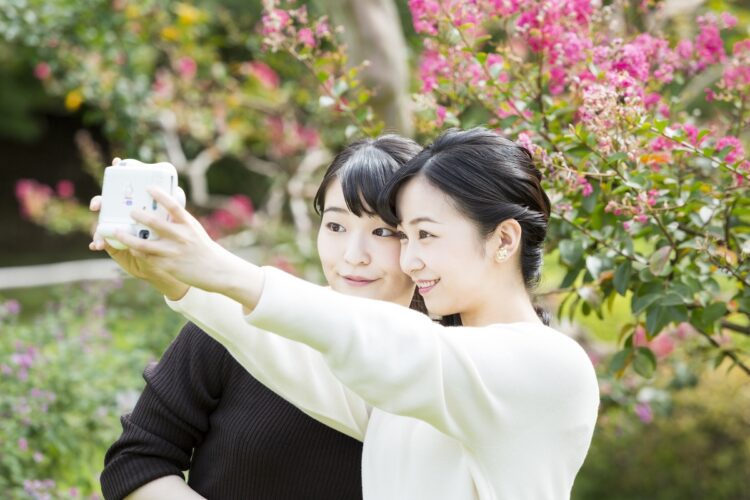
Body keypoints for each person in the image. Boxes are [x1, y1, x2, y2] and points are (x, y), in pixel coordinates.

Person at [98, 127, 600, 499]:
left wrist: (218, 267)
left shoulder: (551, 367)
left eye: (422, 235)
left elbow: (390, 343)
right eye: (407, 235)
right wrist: (178, 278)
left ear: (504, 240)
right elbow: (297, 358)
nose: (411, 258)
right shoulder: (413, 391)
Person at [93, 135, 424, 499]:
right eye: (335, 226)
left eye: (382, 232)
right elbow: (137, 460)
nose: (353, 255)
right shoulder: (233, 322)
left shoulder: (446, 365)